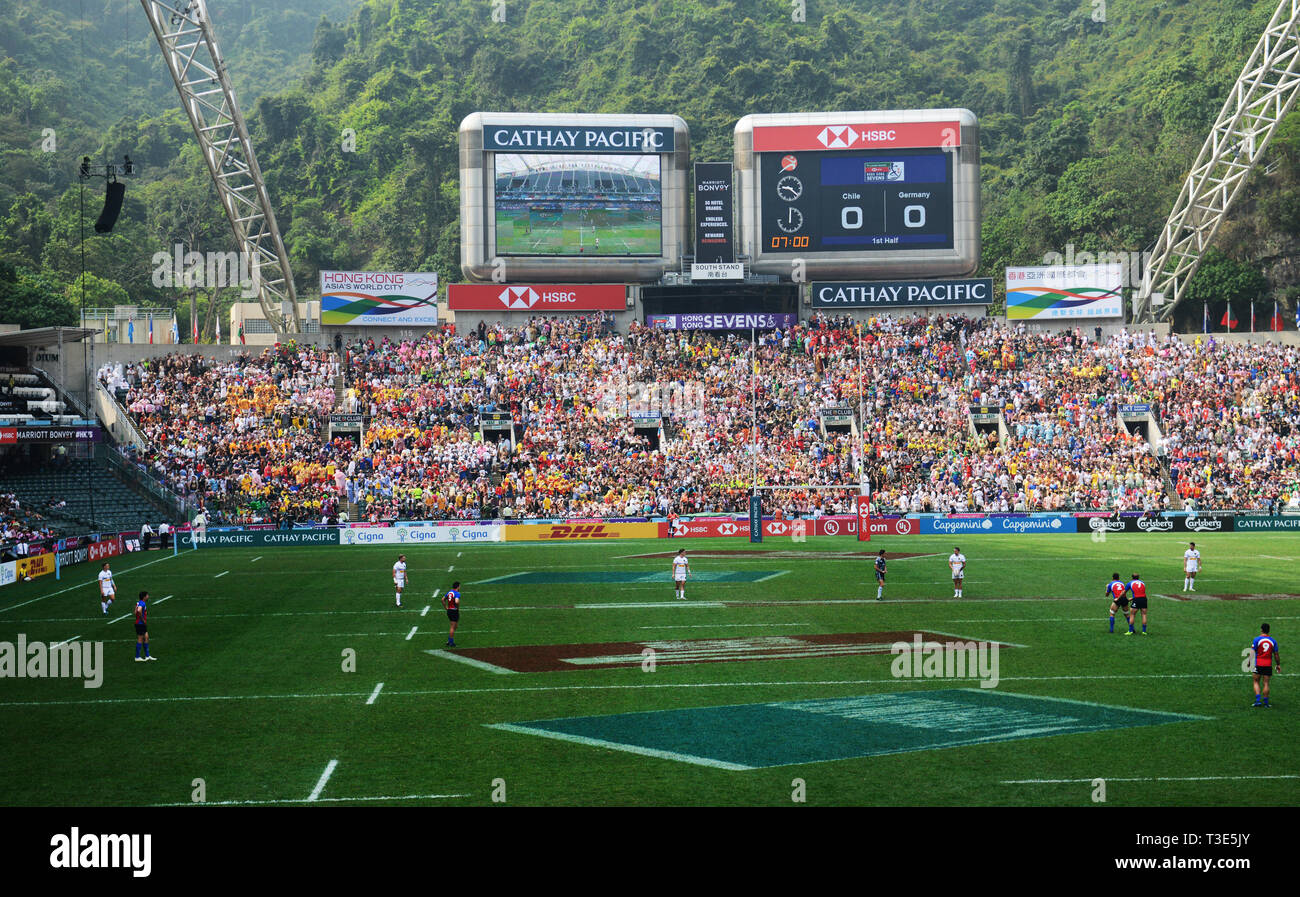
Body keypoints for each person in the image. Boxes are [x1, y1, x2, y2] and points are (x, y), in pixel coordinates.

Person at [1252, 623, 1279, 707]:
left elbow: (1252, 652)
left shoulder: (1257, 639)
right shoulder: (1273, 641)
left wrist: (1249, 662)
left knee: (1256, 681)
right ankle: (1266, 703)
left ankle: (1257, 700)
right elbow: (1276, 654)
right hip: (1268, 664)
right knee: (1266, 683)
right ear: (1269, 630)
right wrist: (1278, 664)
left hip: (1258, 664)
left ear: (1261, 629)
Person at [134, 590, 156, 661]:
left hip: (140, 624)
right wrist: (142, 619)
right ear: (144, 597)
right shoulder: (142, 603)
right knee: (140, 639)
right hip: (140, 624)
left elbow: (135, 612)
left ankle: (147, 656)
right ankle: (137, 657)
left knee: (146, 637)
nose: (148, 596)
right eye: (147, 595)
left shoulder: (138, 603)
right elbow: (138, 611)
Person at [443, 581, 461, 647]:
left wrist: (446, 608)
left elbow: (442, 599)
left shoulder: (449, 592)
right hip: (454, 611)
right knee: (453, 627)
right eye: (459, 586)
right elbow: (456, 601)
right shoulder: (457, 593)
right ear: (458, 586)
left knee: (455, 626)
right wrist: (457, 607)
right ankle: (451, 643)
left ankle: (449, 640)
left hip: (449, 611)